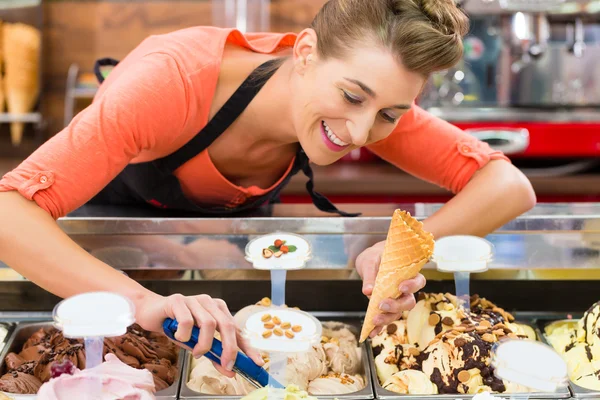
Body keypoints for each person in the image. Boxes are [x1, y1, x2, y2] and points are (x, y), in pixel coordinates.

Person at [0, 0, 536, 375]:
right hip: (99, 275)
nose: (359, 134)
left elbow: (508, 185)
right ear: (305, 53)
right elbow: (9, 213)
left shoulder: (368, 102)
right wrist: (138, 299)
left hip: (225, 281)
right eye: (351, 97)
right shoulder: (169, 83)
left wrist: (401, 252)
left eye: (389, 113)